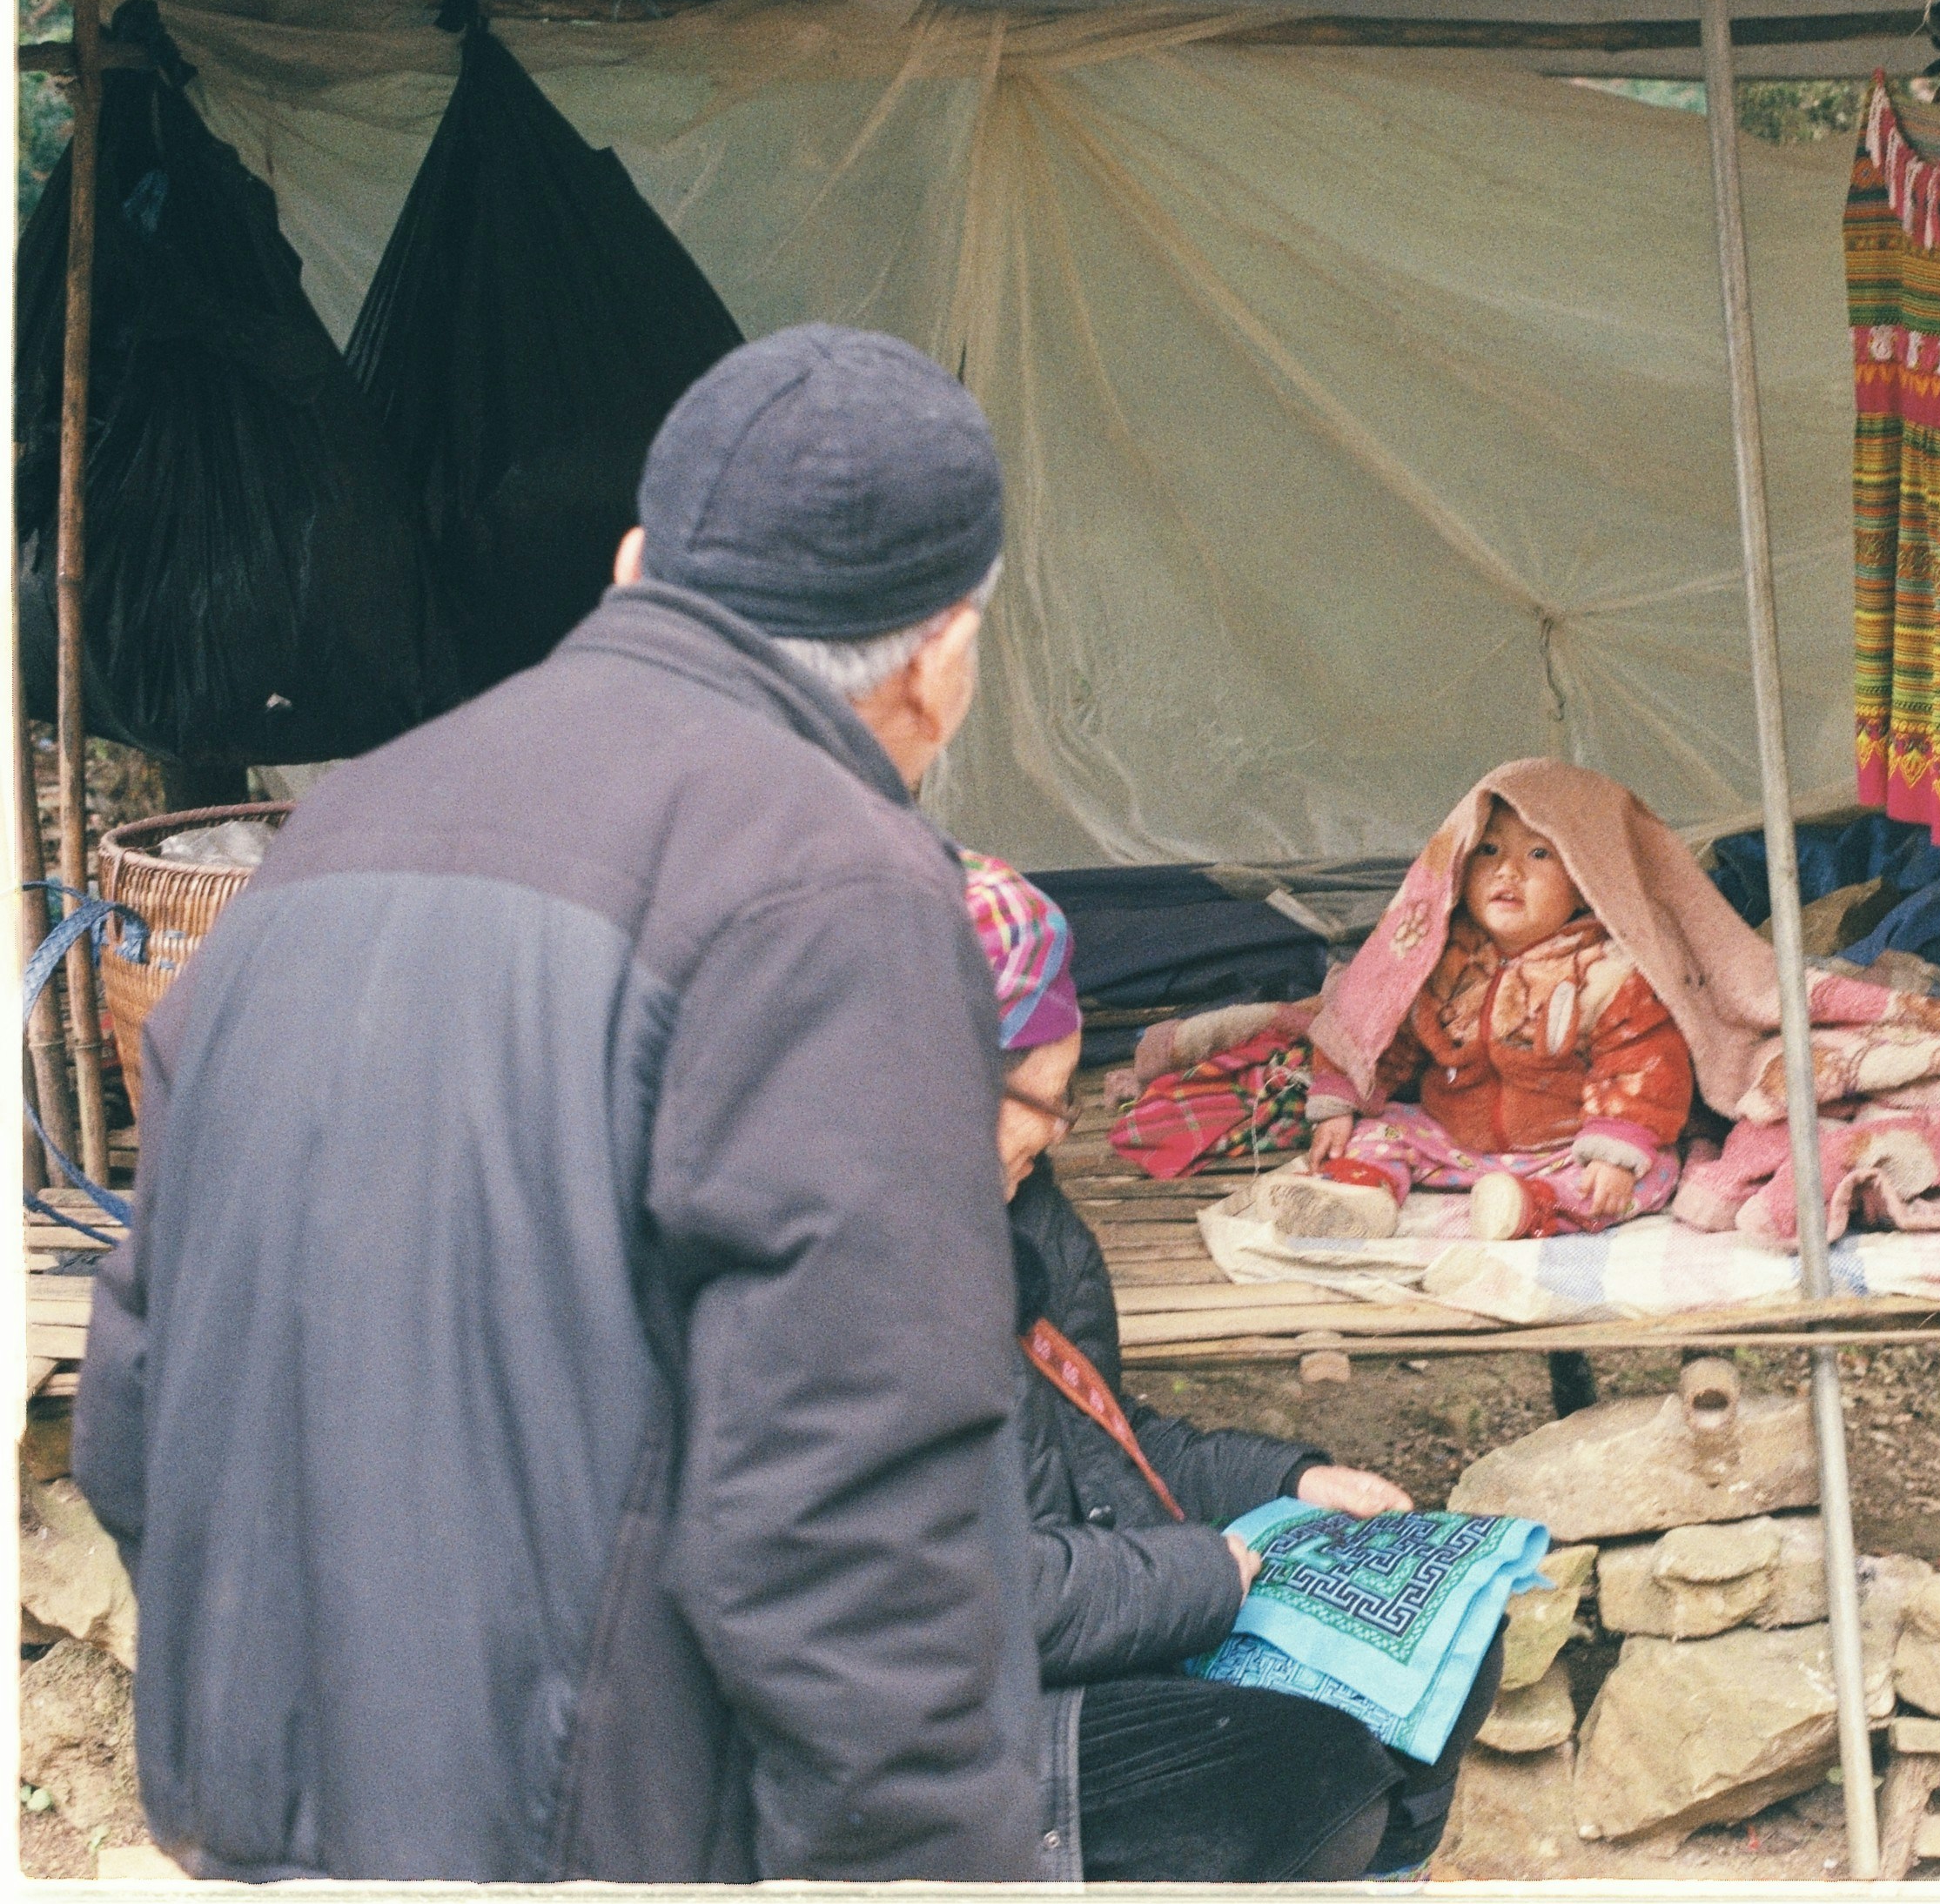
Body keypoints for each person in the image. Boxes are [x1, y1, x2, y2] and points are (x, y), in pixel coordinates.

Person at [72, 325, 1210, 1883]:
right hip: (597, 1840)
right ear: (944, 657)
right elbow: (853, 1533)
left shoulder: (335, 836)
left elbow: (136, 1412)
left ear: (632, 565)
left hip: (267, 1819)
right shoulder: (835, 884)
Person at [959, 851, 1496, 1878]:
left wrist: (1288, 1480)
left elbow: (1105, 1433)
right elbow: (961, 1595)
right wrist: (1200, 1574)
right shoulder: (857, 1284)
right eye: (1042, 1100)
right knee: (1307, 1780)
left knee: (1450, 1652)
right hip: (976, 1717)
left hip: (1104, 1614)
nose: (1062, 1134)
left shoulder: (1025, 1213)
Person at [1283, 774, 1697, 1243]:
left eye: (1538, 854)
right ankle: (1357, 1199)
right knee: (1380, 1135)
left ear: (1584, 883)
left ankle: (1533, 1207)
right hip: (1449, 1138)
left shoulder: (1607, 971)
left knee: (1648, 1172)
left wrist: (1615, 1147)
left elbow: (1643, 1060)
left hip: (1564, 1146)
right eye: (1490, 851)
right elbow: (1378, 1027)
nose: (1508, 871)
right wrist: (1342, 1099)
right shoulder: (1434, 956)